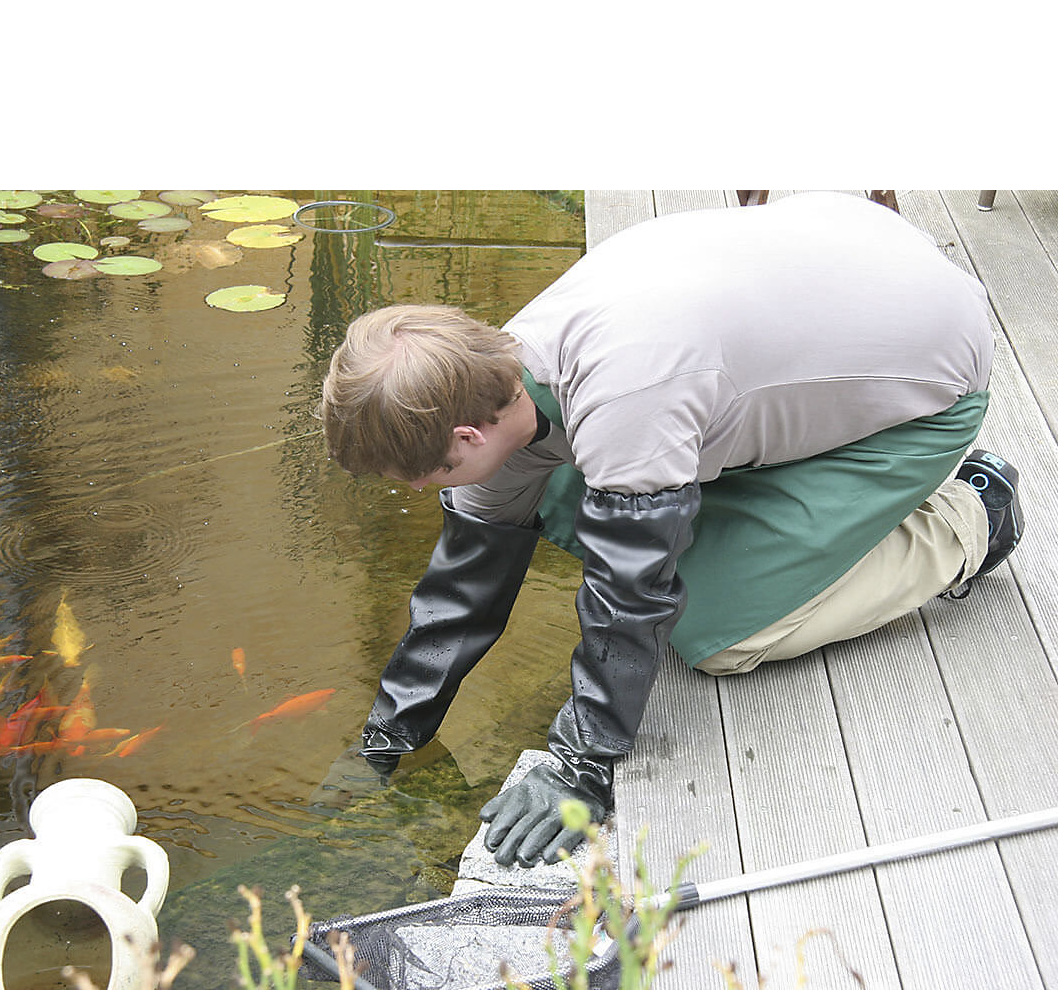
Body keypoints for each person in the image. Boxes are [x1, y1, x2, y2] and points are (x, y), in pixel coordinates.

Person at [319, 191, 1024, 870]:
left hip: (930, 380)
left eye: (423, 473)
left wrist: (578, 764)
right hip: (856, 255)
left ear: (467, 432)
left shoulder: (628, 393)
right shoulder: (498, 369)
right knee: (562, 498)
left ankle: (971, 517)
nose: (415, 490)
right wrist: (387, 736)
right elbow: (467, 581)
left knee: (718, 632)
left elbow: (633, 595)